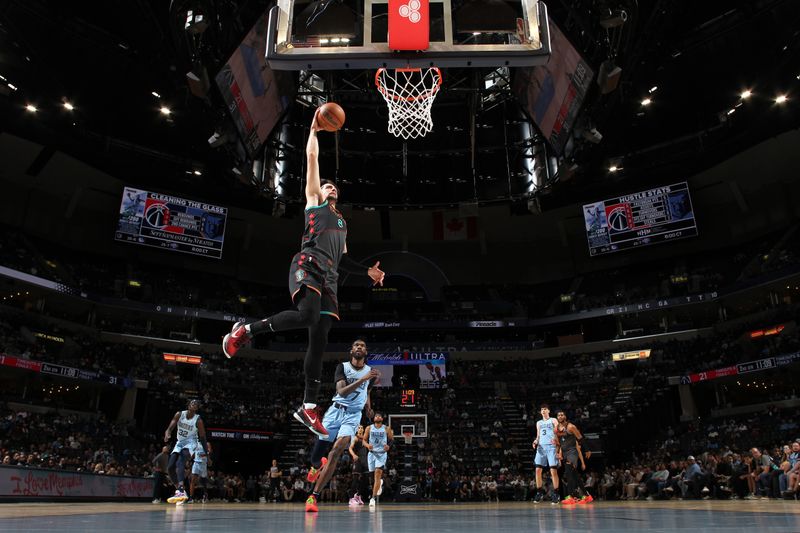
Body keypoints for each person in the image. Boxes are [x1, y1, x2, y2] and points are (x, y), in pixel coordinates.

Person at [222, 111, 385, 437]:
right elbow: (312, 156)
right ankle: (246, 330)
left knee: (320, 338)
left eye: (334, 185)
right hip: (307, 264)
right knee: (307, 314)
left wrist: (367, 270)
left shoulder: (342, 224)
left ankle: (309, 407)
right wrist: (313, 129)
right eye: (327, 185)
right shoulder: (314, 202)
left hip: (330, 278)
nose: (330, 186)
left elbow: (343, 260)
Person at [304, 339, 378, 512]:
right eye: (356, 345)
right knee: (317, 456)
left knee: (336, 451)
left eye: (362, 346)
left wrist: (368, 407)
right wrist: (364, 379)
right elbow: (342, 391)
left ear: (365, 352)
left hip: (353, 415)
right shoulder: (342, 367)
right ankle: (316, 464)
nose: (359, 347)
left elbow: (367, 390)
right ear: (351, 351)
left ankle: (313, 496)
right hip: (335, 411)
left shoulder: (370, 372)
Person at [163, 399, 207, 505]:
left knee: (181, 461)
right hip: (180, 442)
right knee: (170, 467)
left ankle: (181, 489)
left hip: (191, 443)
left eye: (197, 404)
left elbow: (203, 438)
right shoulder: (179, 414)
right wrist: (168, 433)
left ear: (197, 408)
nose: (194, 405)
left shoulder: (198, 420)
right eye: (193, 403)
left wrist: (207, 454)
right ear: (188, 405)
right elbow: (170, 427)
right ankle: (179, 490)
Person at [556, 410, 592, 505]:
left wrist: (587, 450)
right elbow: (560, 444)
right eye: (558, 415)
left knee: (568, 474)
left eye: (562, 415)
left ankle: (571, 497)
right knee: (575, 476)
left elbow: (580, 438)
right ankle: (587, 496)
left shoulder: (571, 427)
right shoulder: (556, 428)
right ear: (557, 418)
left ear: (565, 416)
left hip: (572, 453)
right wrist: (558, 453)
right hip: (564, 453)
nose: (560, 416)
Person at [363, 413, 394, 507]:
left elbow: (391, 439)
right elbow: (364, 440)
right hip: (372, 454)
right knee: (373, 478)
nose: (378, 417)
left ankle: (373, 498)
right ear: (373, 419)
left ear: (382, 418)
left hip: (381, 454)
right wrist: (368, 445)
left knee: (377, 474)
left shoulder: (386, 428)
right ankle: (379, 483)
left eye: (379, 416)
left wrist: (388, 446)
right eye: (376, 416)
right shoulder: (369, 428)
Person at [532, 404, 560, 504]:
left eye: (545, 409)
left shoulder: (553, 420)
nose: (543, 411)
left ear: (548, 410)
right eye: (542, 409)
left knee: (553, 472)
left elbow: (558, 432)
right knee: (538, 470)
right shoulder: (538, 423)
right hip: (541, 447)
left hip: (551, 447)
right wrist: (535, 441)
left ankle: (556, 493)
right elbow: (538, 436)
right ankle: (539, 492)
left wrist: (557, 441)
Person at [348, 425, 369, 506]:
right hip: (358, 461)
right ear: (356, 430)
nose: (360, 429)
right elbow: (350, 448)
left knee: (366, 480)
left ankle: (357, 496)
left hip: (365, 461)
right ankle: (351, 498)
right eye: (359, 428)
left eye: (361, 427)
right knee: (355, 480)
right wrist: (353, 455)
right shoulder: (355, 438)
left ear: (363, 429)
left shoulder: (365, 438)